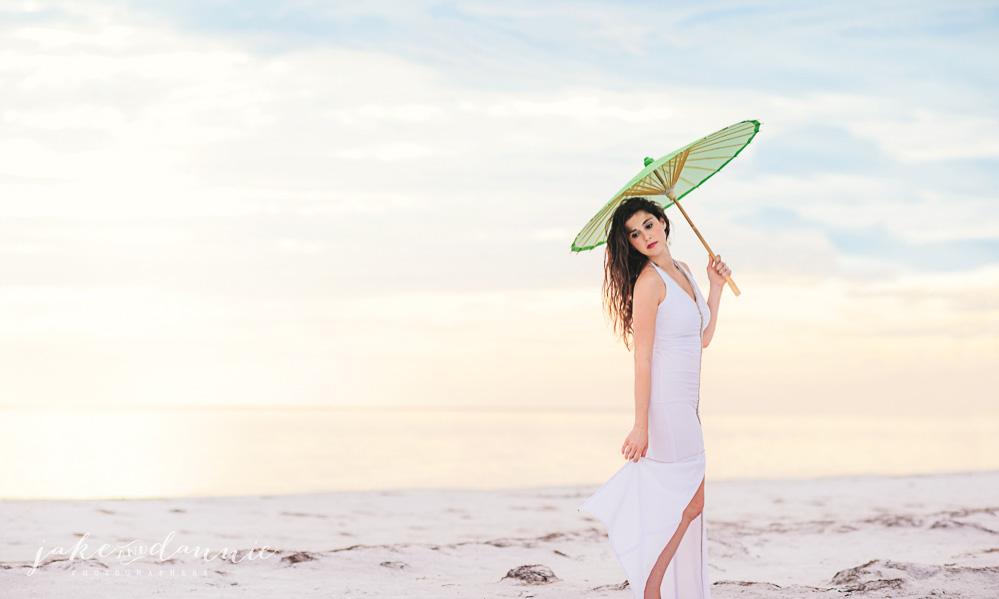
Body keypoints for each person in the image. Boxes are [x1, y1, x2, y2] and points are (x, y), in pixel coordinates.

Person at [578, 196, 731, 599]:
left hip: (686, 407)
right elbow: (642, 358)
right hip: (665, 407)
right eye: (634, 232)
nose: (644, 235)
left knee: (688, 504)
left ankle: (654, 587)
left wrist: (714, 288)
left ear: (664, 222)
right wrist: (641, 423)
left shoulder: (681, 270)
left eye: (648, 224)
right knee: (690, 503)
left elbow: (702, 339)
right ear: (629, 243)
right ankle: (651, 589)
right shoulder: (649, 283)